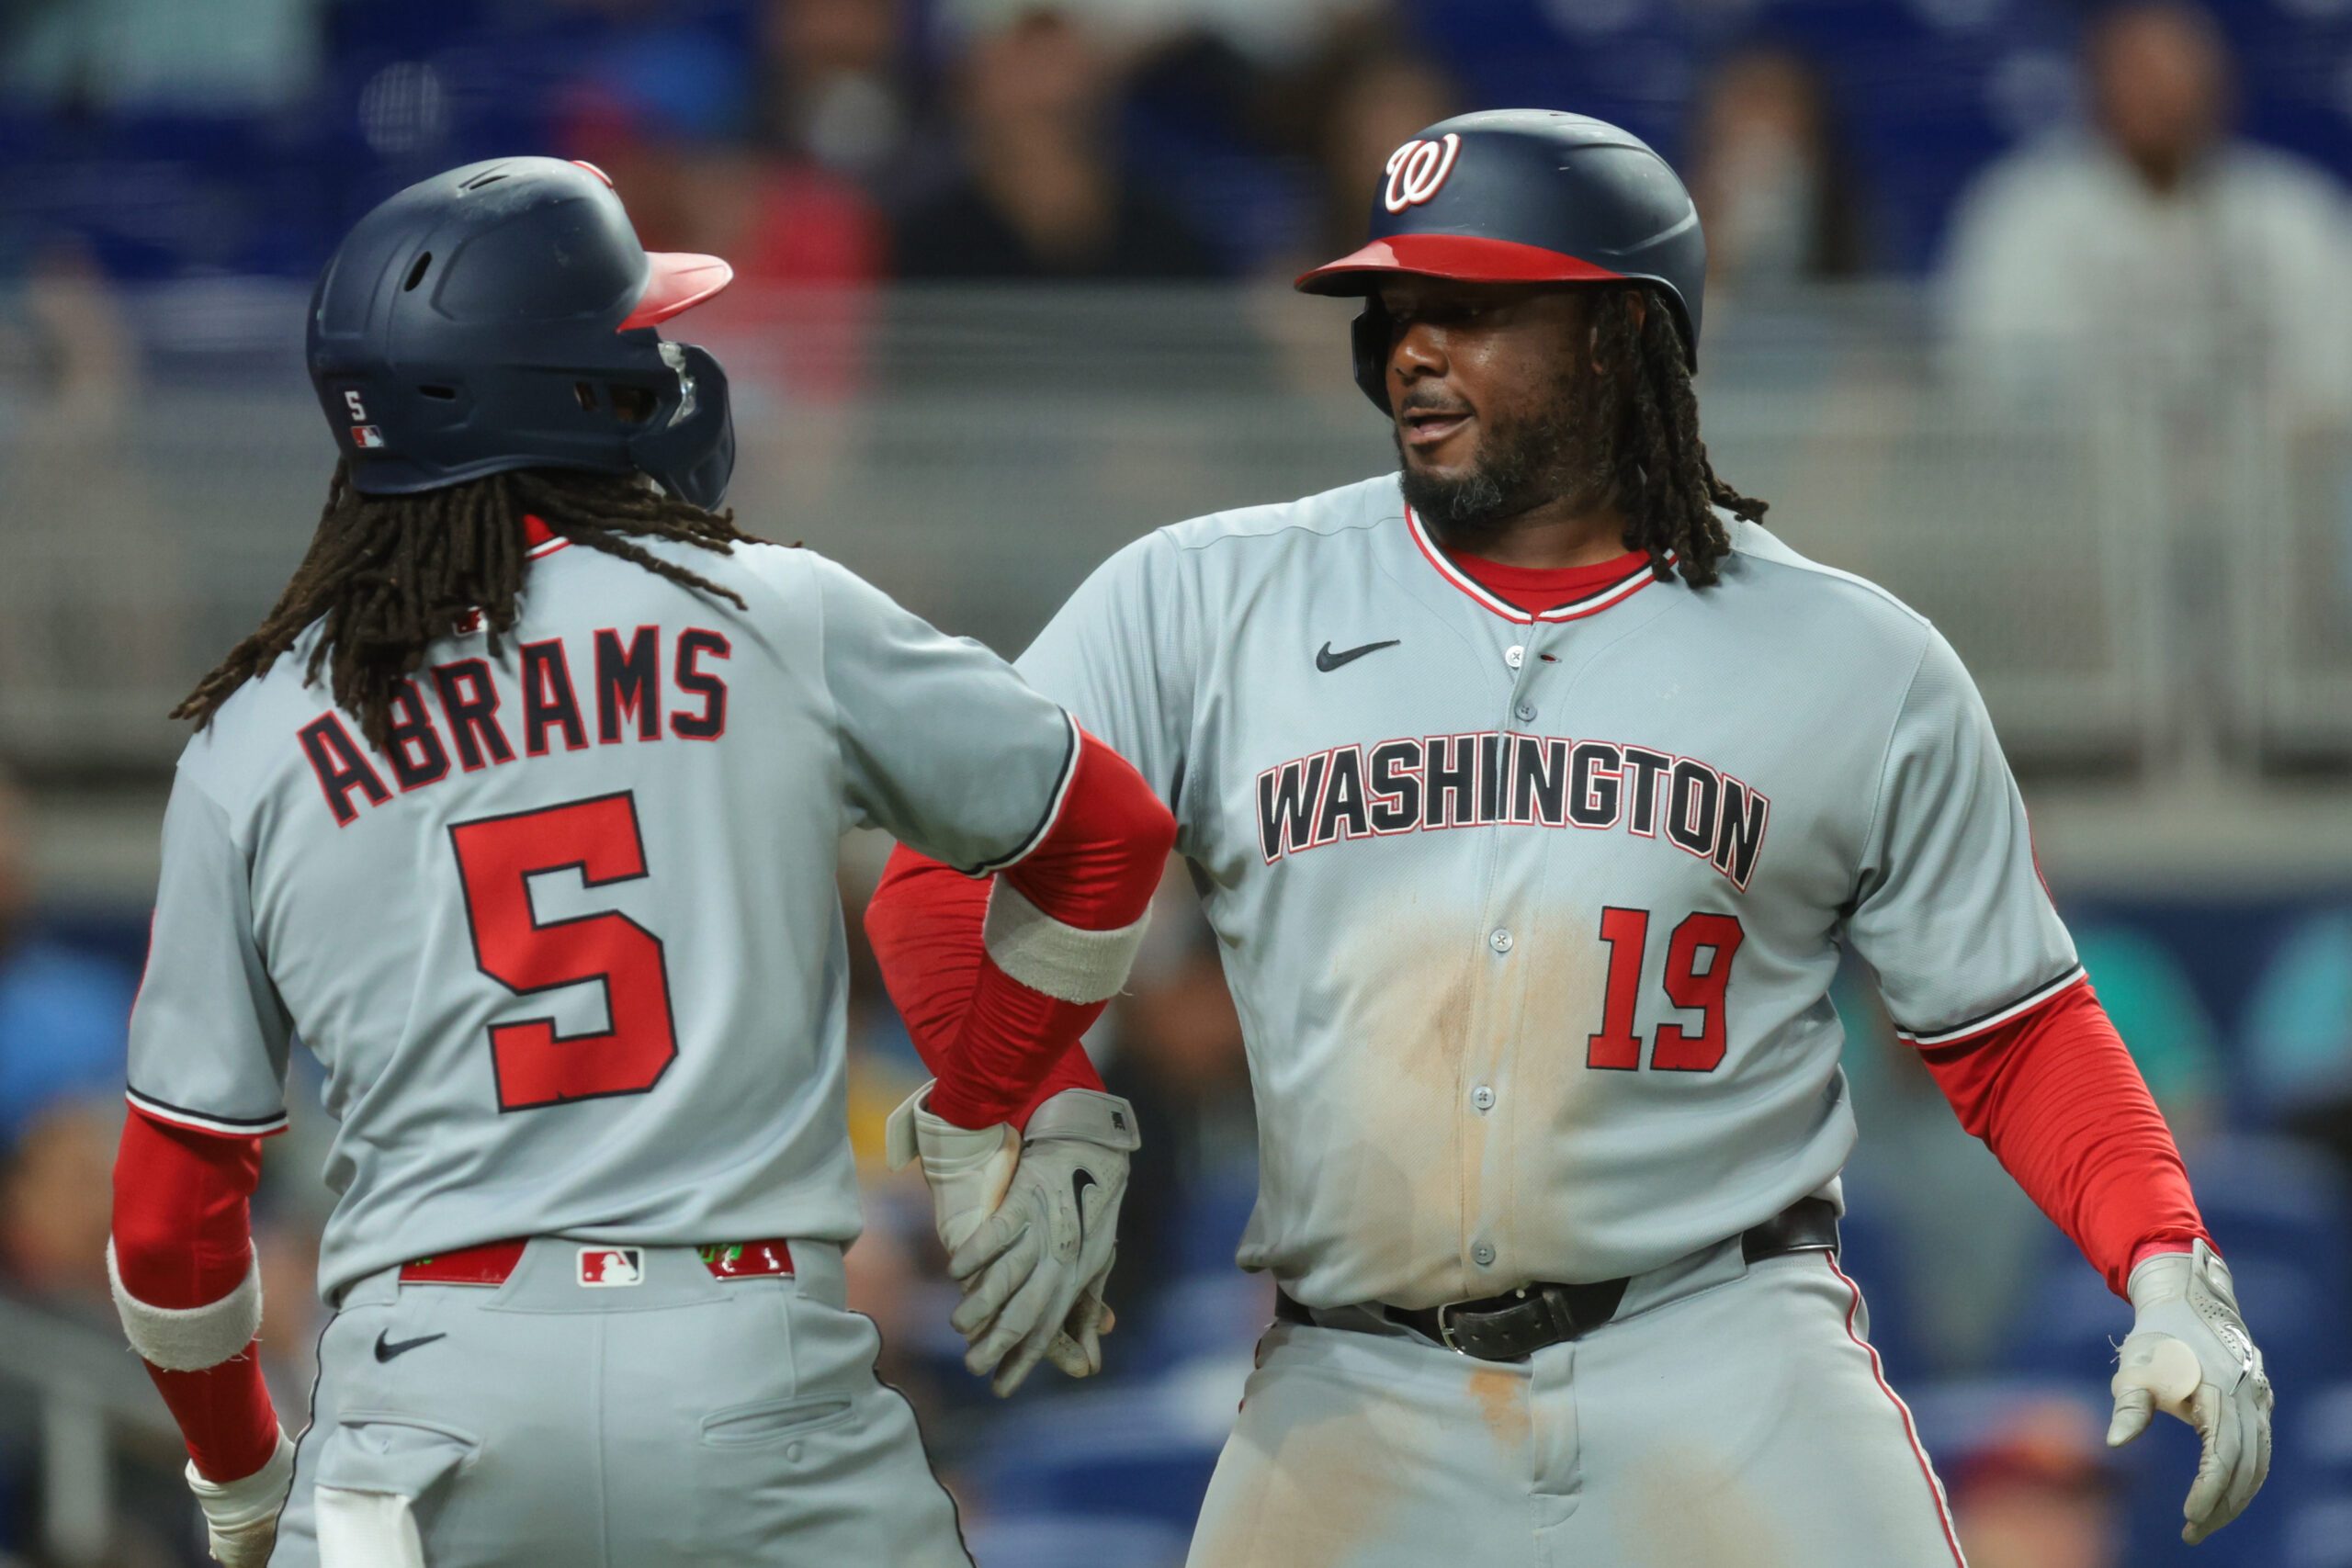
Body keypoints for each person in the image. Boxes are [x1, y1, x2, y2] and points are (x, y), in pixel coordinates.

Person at [866, 108, 2273, 1565]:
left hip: (1728, 1355)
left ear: (1617, 337)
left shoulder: (1856, 657)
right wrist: (1008, 1088)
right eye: (1395, 311)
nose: (1411, 350)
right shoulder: (1202, 599)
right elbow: (939, 858)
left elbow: (2013, 1026)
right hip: (1353, 1382)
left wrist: (2165, 1258)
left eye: (1468, 310)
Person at [103, 155, 1174, 1568]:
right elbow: (1108, 833)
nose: (666, 361)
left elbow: (172, 1217)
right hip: (749, 1366)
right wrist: (986, 1098)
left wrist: (242, 1480)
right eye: (631, 339)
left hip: (423, 1396)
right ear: (561, 391)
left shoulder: (257, 729)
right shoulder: (769, 610)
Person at [1941, 0, 2352, 420]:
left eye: (2174, 76)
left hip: (2271, 473)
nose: (2156, 96)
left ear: (2220, 86)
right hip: (2079, 474)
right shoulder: (2025, 209)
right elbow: (1990, 374)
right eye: (2136, 74)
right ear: (2093, 84)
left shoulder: (2293, 208)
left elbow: (2337, 371)